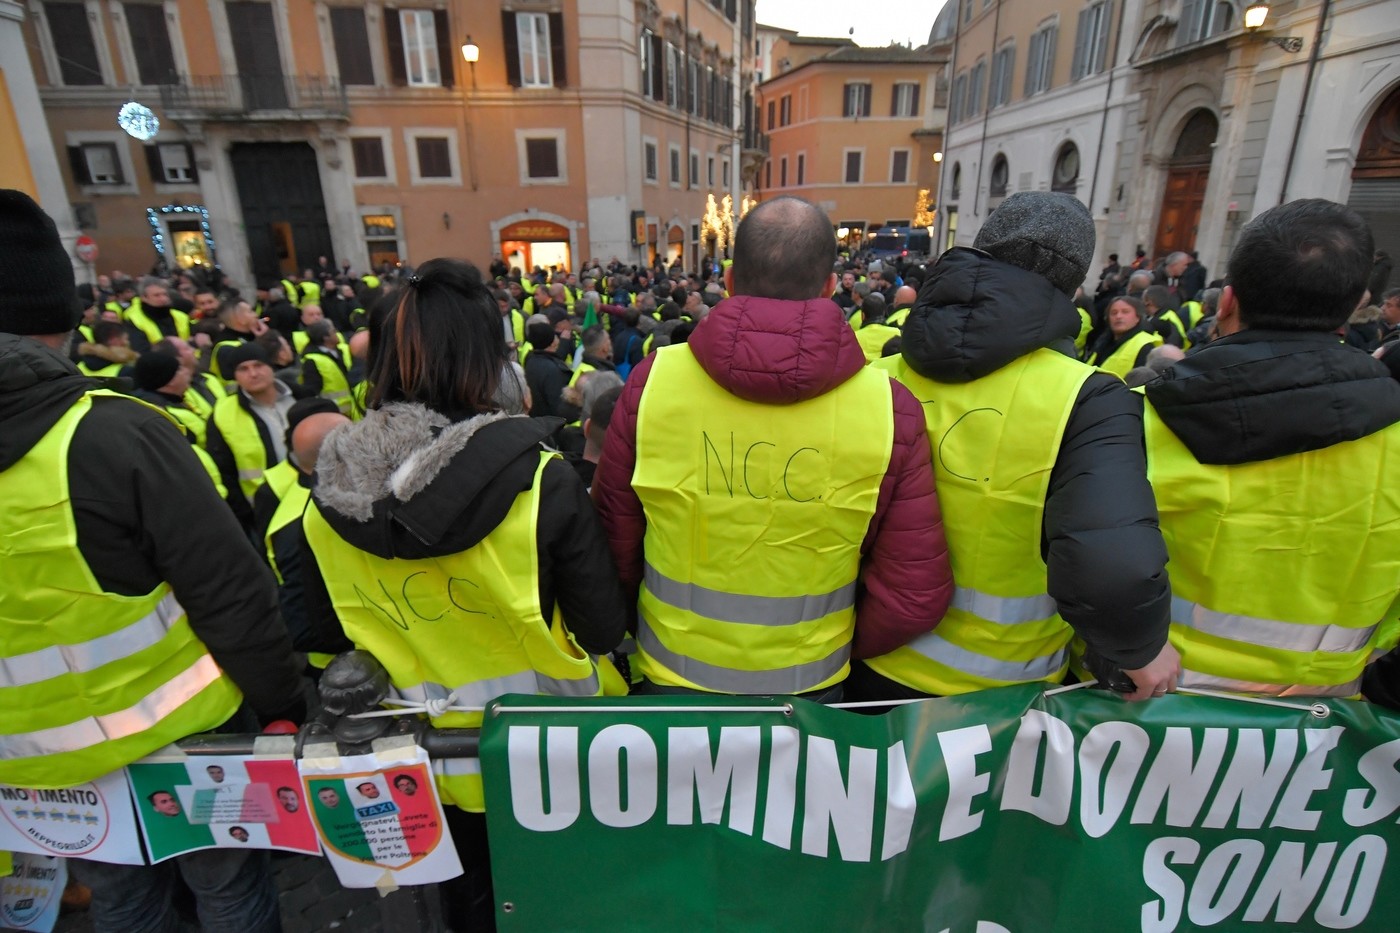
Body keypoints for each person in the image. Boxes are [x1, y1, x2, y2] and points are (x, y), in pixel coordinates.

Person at [0, 189, 307, 933]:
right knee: (229, 893)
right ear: (62, 314)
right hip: (188, 736)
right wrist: (281, 704)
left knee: (123, 903)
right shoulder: (117, 433)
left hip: (35, 762)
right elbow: (231, 592)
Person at [300, 258, 627, 932]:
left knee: (465, 907)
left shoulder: (321, 500)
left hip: (418, 760)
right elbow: (599, 629)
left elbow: (324, 633)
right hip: (547, 753)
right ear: (486, 361)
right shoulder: (541, 478)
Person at [593, 196, 953, 700]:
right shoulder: (890, 408)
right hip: (811, 691)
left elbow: (613, 538)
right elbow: (913, 592)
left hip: (671, 681)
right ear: (831, 287)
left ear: (732, 279)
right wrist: (834, 645)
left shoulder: (654, 382)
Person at [852, 192, 1177, 703]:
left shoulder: (876, 376)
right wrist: (1140, 649)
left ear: (981, 252)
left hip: (871, 667)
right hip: (1007, 697)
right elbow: (1110, 561)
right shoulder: (1088, 398)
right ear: (1074, 288)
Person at [1142, 199, 1400, 696]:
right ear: (1351, 309)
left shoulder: (1134, 416)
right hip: (1317, 726)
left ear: (1226, 301)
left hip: (1143, 710)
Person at [1084, 296, 1163, 379]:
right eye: (1114, 313)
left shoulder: (1145, 345)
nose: (1118, 316)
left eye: (1125, 312)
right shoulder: (1102, 342)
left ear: (1138, 317)